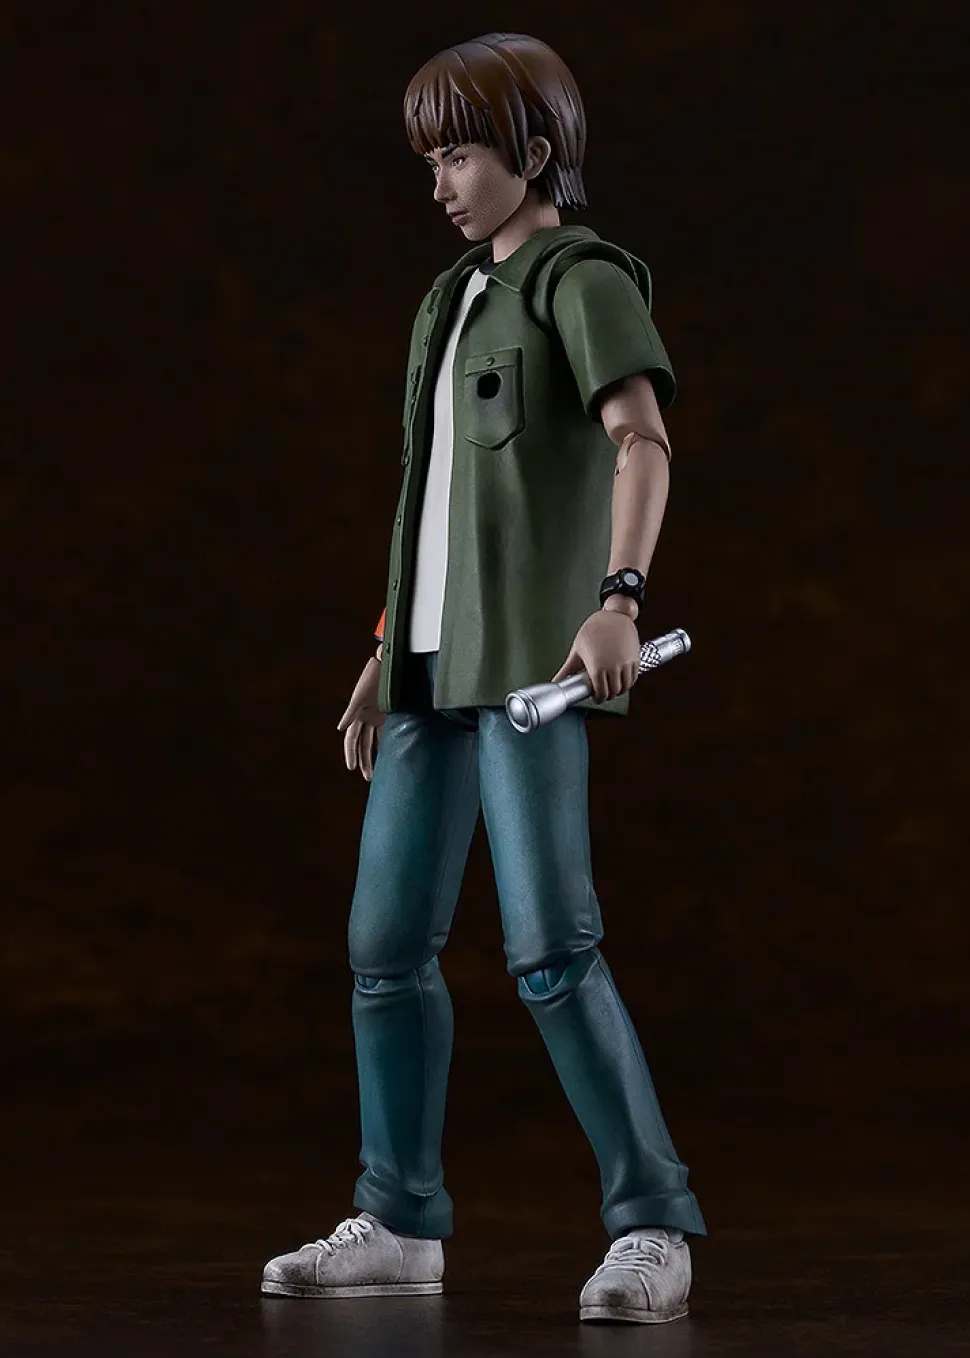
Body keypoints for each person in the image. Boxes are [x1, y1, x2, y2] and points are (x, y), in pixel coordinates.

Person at [262, 31, 706, 1325]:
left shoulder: (580, 279)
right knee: (383, 949)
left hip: (527, 669)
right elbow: (434, 502)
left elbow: (641, 442)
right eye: (432, 159)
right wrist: (380, 651)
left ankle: (652, 1222)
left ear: (533, 150)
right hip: (425, 672)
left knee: (551, 948)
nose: (441, 182)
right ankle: (399, 1217)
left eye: (459, 154)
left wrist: (618, 599)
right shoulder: (448, 302)